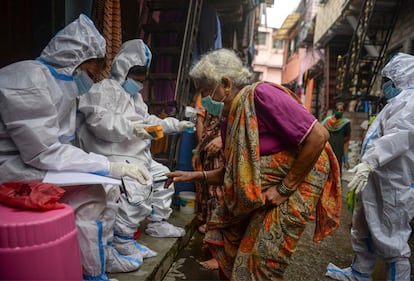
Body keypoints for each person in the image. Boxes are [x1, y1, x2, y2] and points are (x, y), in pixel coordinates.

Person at [165, 48, 342, 280]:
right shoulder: (230, 120)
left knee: (263, 261)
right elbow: (235, 173)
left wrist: (284, 188)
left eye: (206, 91)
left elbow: (318, 136)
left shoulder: (262, 95)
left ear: (226, 84)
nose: (203, 100)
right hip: (264, 194)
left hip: (294, 188)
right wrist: (193, 176)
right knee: (242, 258)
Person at [0, 14, 151, 280]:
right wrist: (108, 165)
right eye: (91, 69)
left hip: (38, 160)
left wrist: (106, 167)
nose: (92, 77)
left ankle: (103, 257)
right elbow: (44, 151)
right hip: (13, 166)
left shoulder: (60, 81)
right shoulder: (28, 79)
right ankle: (91, 271)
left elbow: (57, 144)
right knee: (92, 196)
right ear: (77, 61)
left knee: (109, 188)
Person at [76, 39, 194, 262]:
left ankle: (158, 223)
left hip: (137, 153)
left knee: (165, 176)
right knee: (139, 186)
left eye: (142, 79)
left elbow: (148, 122)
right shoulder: (103, 90)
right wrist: (133, 129)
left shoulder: (135, 97)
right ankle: (123, 239)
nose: (139, 83)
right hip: (114, 153)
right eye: (135, 77)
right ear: (123, 69)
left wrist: (174, 125)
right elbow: (100, 123)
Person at [326, 52, 414, 281]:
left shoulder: (410, 103)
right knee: (363, 225)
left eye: (388, 80)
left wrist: (369, 163)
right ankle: (359, 273)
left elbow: (398, 137)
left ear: (400, 78)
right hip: (377, 177)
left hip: (395, 182)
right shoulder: (396, 102)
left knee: (392, 239)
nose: (385, 85)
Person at [191, 93, 225, 270]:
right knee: (207, 191)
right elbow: (200, 123)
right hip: (207, 149)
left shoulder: (231, 99)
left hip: (224, 152)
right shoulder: (205, 97)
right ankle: (212, 239)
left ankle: (219, 252)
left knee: (219, 196)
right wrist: (199, 149)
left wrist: (222, 139)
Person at [322, 102, 351, 173]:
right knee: (327, 166)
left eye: (341, 110)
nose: (339, 112)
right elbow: (321, 131)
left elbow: (347, 136)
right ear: (334, 110)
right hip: (328, 147)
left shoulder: (346, 123)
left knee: (337, 166)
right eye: (338, 110)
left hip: (339, 148)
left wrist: (340, 142)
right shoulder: (328, 121)